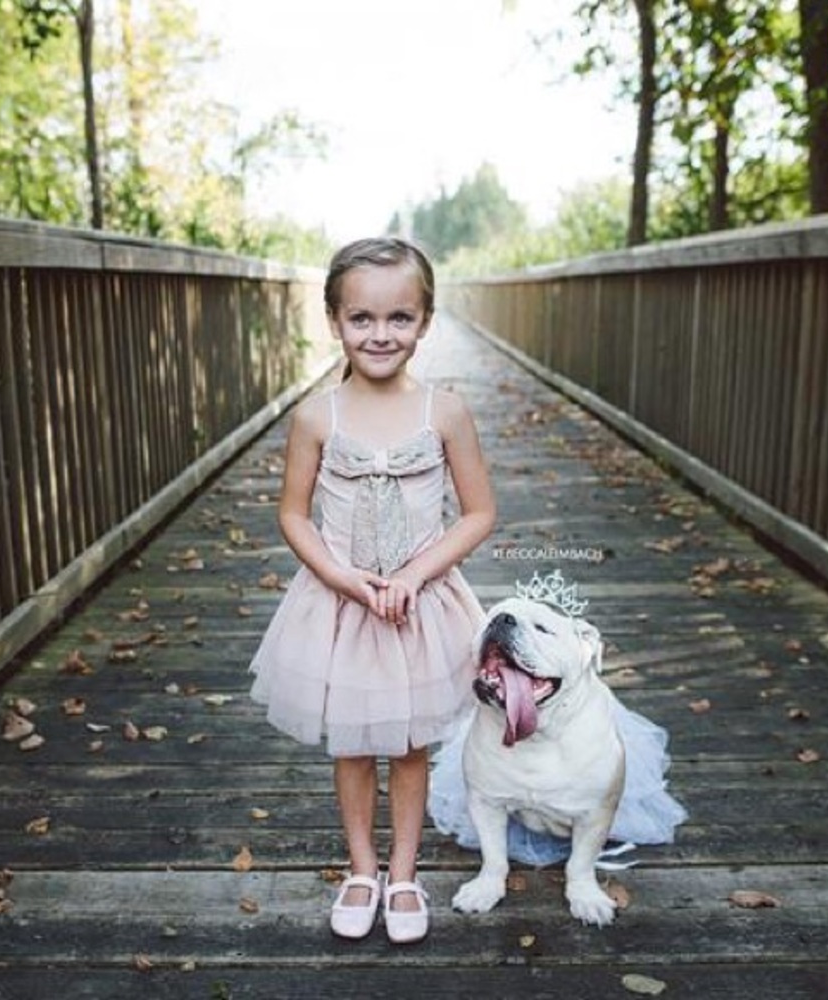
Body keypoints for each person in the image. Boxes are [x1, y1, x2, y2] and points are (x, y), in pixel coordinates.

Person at [248, 236, 496, 945]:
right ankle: (363, 869)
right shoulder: (316, 416)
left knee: (411, 744)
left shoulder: (444, 413)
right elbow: (293, 512)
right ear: (334, 320)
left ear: (425, 320)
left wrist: (417, 575)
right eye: (361, 318)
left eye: (398, 318)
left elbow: (479, 512)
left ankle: (406, 872)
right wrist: (342, 577)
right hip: (341, 603)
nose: (380, 334)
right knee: (354, 746)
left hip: (419, 606)